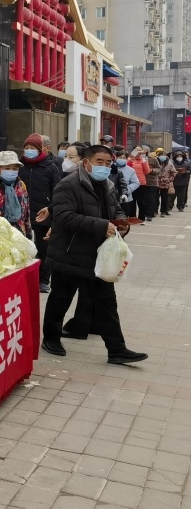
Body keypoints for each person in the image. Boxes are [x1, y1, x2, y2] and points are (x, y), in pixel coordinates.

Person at [42, 144, 146, 365]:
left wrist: (122, 224)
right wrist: (101, 226)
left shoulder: (107, 184)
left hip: (97, 256)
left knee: (107, 302)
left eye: (108, 163)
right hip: (69, 254)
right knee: (60, 299)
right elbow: (64, 217)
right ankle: (51, 338)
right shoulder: (67, 185)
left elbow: (115, 210)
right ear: (86, 162)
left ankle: (117, 350)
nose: (105, 167)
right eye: (100, 162)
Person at [19, 133, 60, 291]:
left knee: (44, 247)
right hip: (23, 214)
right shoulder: (19, 165)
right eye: (26, 148)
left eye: (33, 148)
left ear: (41, 149)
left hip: (43, 213)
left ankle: (43, 280)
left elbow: (57, 191)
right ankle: (25, 277)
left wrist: (52, 209)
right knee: (23, 245)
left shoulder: (50, 167)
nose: (29, 151)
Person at [128, 147, 151, 220]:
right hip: (132, 183)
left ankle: (141, 218)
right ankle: (132, 217)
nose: (138, 152)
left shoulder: (143, 160)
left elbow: (147, 171)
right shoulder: (130, 159)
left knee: (141, 202)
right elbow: (127, 165)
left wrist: (144, 162)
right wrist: (133, 155)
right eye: (136, 150)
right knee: (132, 201)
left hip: (141, 183)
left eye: (140, 150)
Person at [140, 149, 163, 221]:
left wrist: (152, 170)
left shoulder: (153, 159)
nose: (143, 152)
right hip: (140, 182)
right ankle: (142, 215)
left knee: (151, 199)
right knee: (142, 200)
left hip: (151, 183)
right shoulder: (136, 159)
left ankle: (149, 214)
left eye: (144, 151)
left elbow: (159, 169)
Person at [157, 149, 176, 216]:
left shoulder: (169, 163)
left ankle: (163, 211)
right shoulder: (156, 162)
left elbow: (174, 172)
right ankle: (154, 211)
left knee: (164, 198)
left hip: (165, 183)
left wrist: (169, 179)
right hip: (156, 183)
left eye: (163, 155)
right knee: (155, 198)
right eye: (161, 155)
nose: (162, 156)